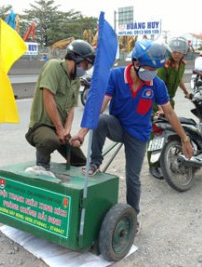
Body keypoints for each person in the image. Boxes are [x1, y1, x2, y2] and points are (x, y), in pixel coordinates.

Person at [70, 39, 194, 232]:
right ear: (135, 62)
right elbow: (101, 105)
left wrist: (185, 139)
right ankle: (95, 161)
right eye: (148, 68)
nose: (151, 73)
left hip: (139, 135)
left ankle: (133, 215)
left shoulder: (156, 84)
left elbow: (169, 112)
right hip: (118, 126)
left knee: (132, 178)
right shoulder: (117, 76)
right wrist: (82, 133)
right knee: (102, 121)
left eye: (155, 69)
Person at [25, 39, 95, 170]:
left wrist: (67, 130)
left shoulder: (75, 80)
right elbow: (48, 97)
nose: (85, 69)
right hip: (41, 126)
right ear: (76, 58)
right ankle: (41, 167)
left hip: (59, 130)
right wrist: (59, 129)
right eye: (85, 65)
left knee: (81, 162)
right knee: (50, 141)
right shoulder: (53, 67)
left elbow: (71, 108)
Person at [148, 37, 191, 179]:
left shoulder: (182, 64)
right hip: (156, 103)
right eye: (174, 51)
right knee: (156, 134)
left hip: (168, 101)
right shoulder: (164, 65)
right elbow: (155, 87)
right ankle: (153, 166)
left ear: (184, 53)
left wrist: (186, 92)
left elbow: (179, 80)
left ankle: (164, 157)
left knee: (170, 130)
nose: (177, 54)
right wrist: (160, 109)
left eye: (180, 51)